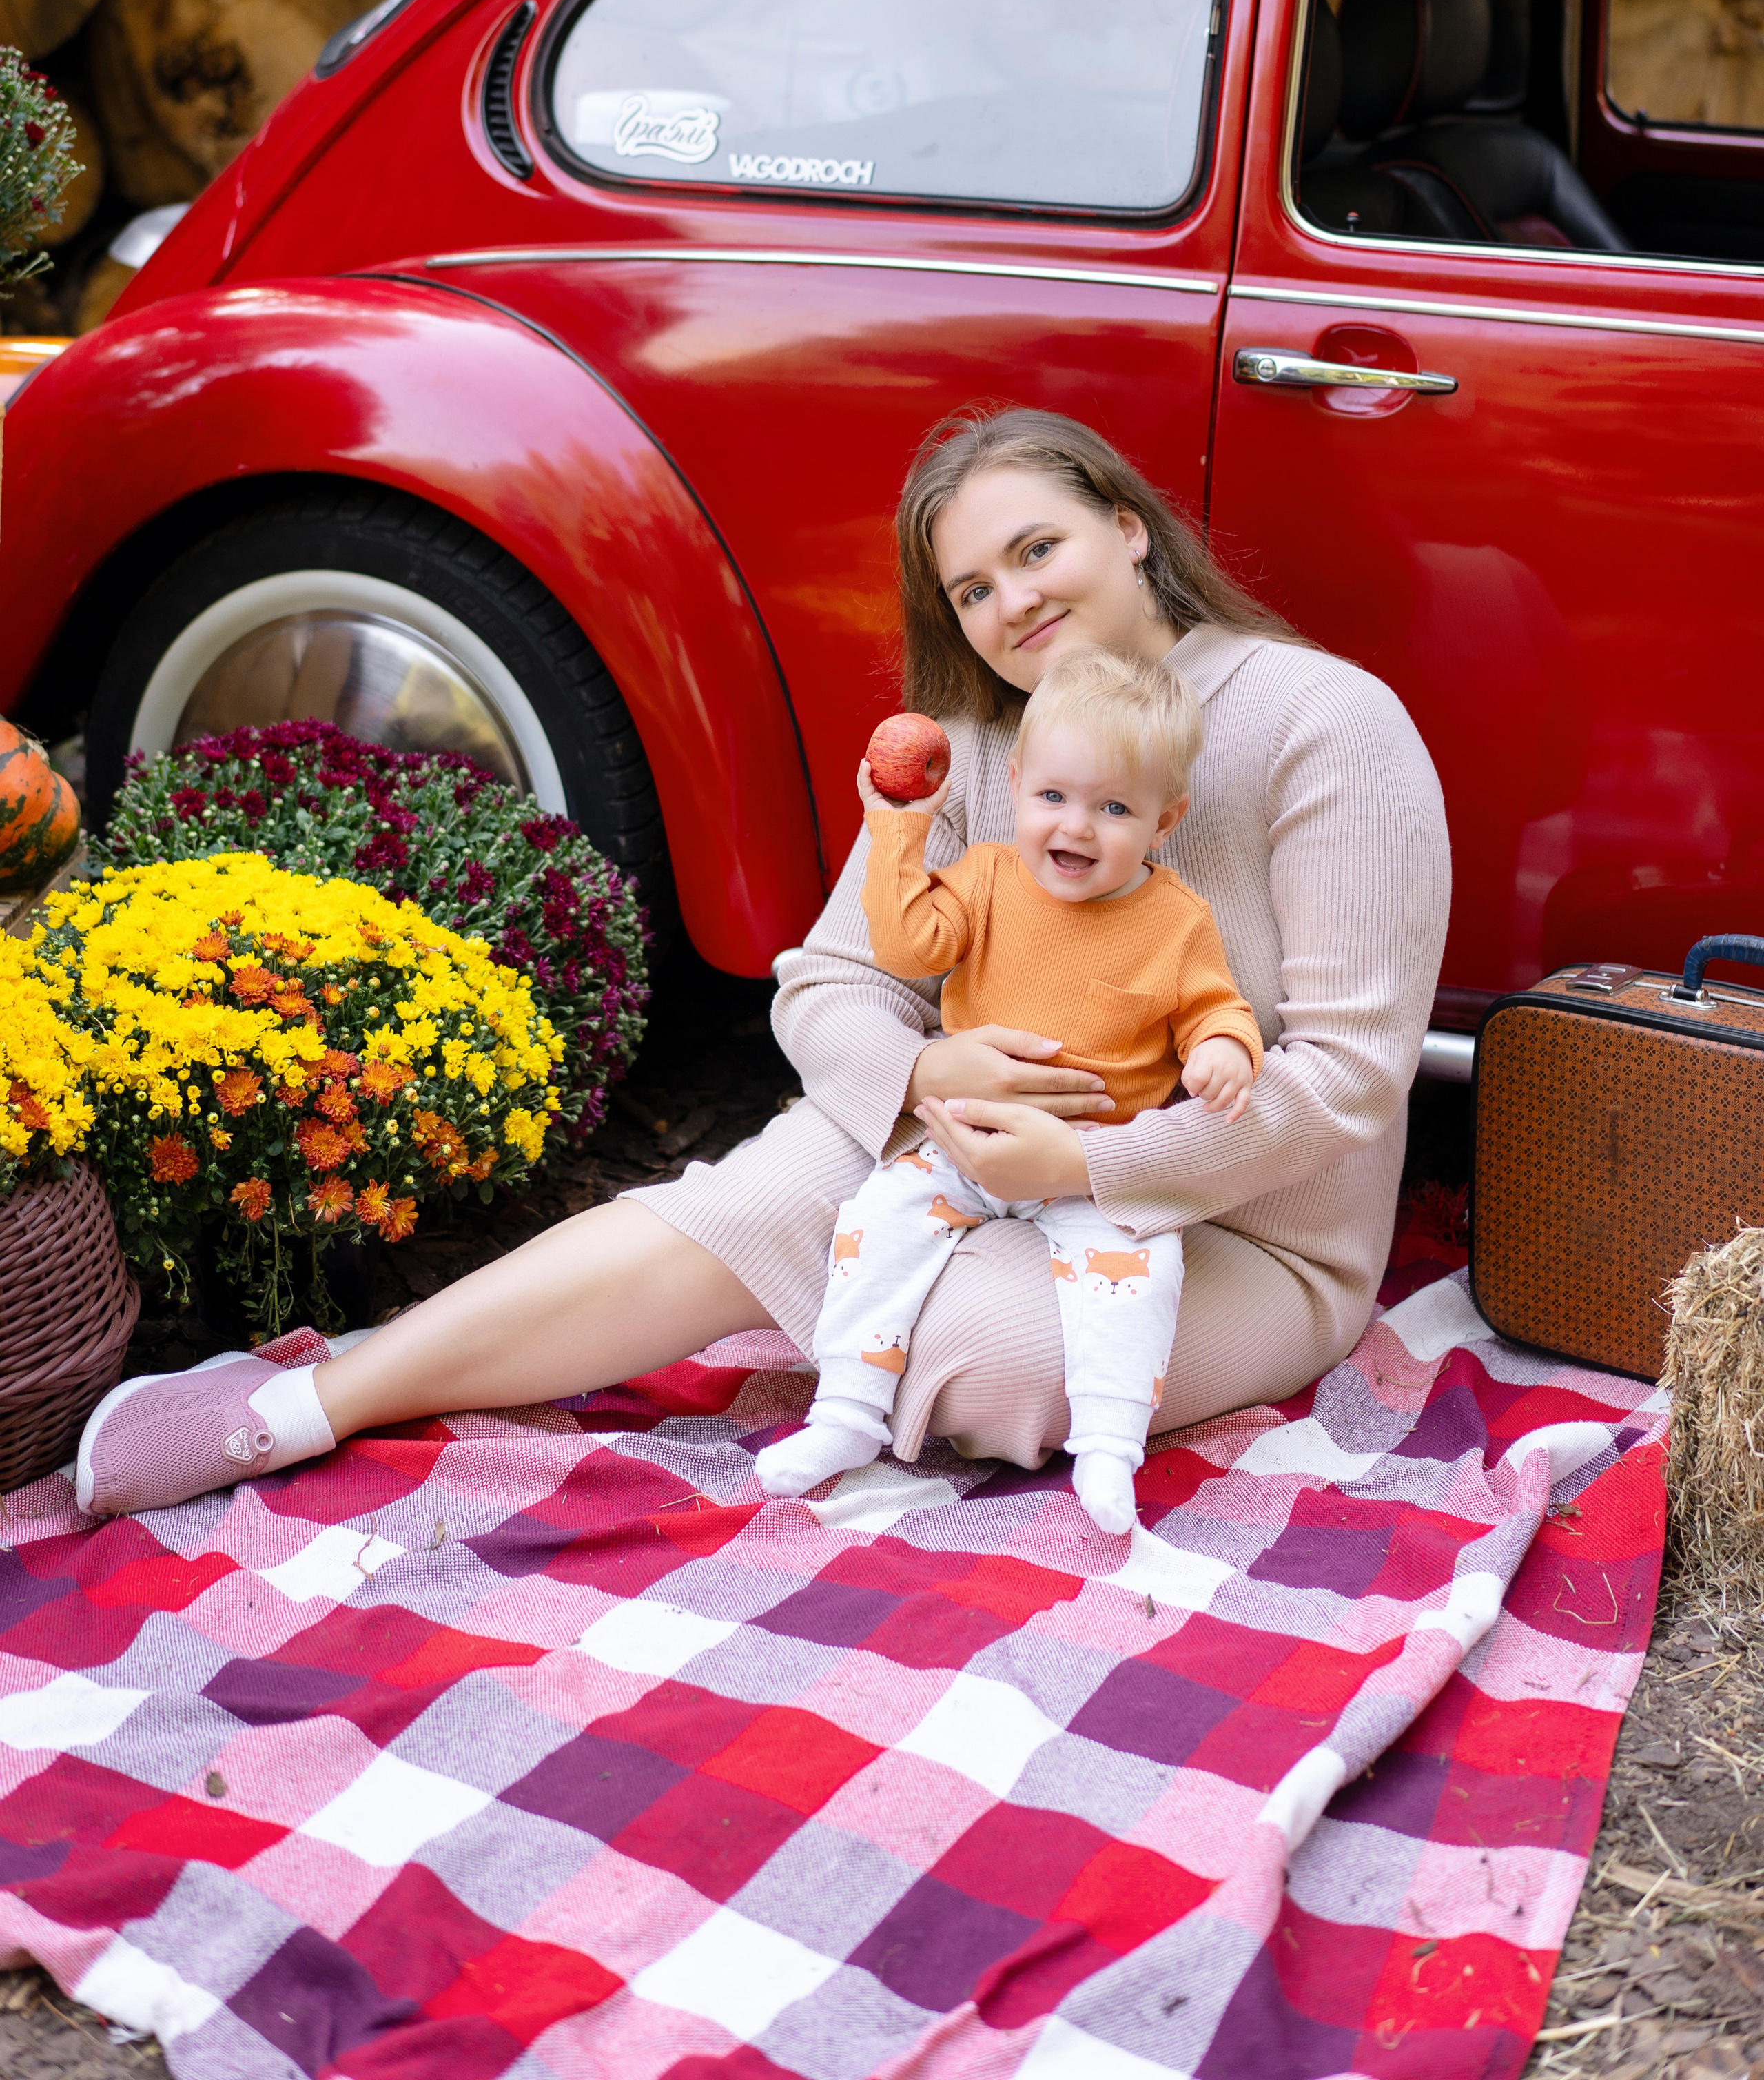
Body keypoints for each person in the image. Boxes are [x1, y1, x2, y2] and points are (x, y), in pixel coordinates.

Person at [76, 407, 1450, 1520]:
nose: (1009, 604)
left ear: (1128, 529)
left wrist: (1086, 1167)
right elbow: (830, 981)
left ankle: (853, 1296)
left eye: (1036, 550)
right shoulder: (981, 744)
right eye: (970, 588)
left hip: (1235, 1231)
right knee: (758, 1202)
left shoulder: (1324, 724)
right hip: (960, 1148)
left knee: (988, 1356)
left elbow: (1343, 1081)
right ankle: (312, 1400)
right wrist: (923, 1065)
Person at [756, 646, 1262, 1532]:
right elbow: (911, 948)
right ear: (1018, 784)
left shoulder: (1176, 921)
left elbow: (1214, 1010)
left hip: (1087, 1167)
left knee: (1141, 1274)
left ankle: (1108, 1446)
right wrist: (899, 829)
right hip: (966, 1143)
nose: (1075, 827)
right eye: (1054, 798)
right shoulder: (988, 878)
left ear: (1164, 819)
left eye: (1113, 808)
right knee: (874, 1226)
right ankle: (844, 1414)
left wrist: (1223, 1049)